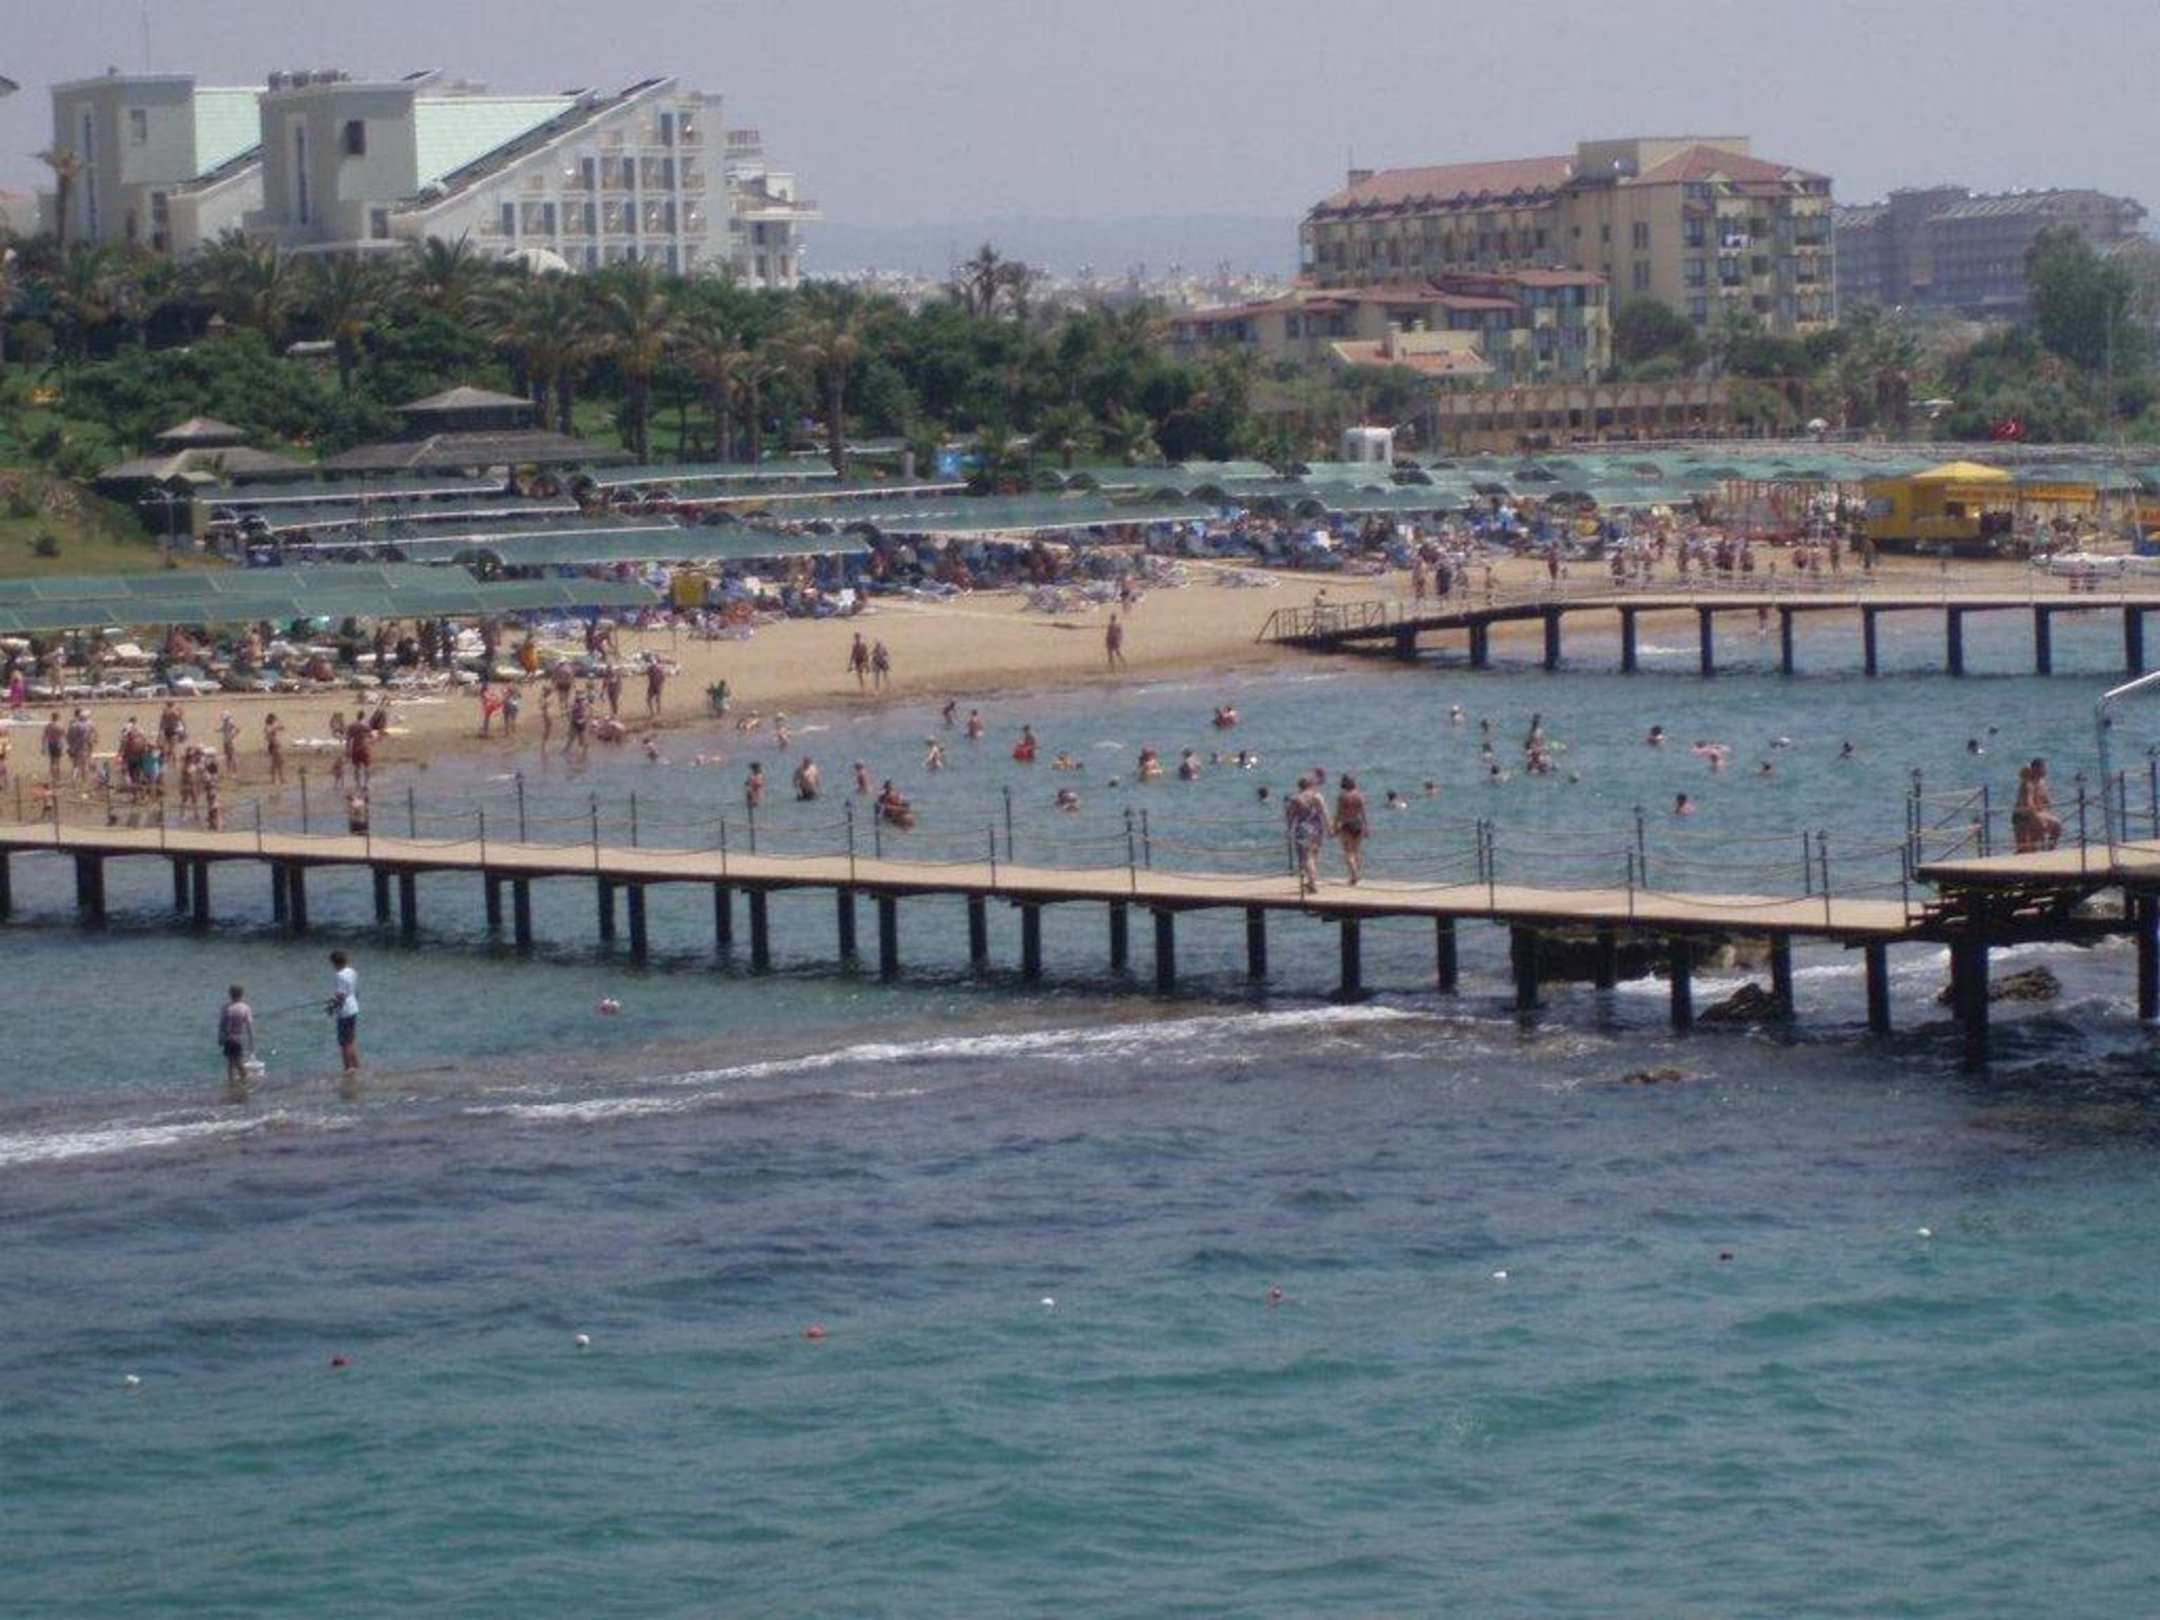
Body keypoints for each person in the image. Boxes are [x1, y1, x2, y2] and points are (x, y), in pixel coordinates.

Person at [1287, 777, 1328, 894]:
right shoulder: (1317, 796)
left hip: (1303, 829)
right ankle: (1311, 881)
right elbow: (1324, 813)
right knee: (1314, 855)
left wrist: (1289, 830)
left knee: (1306, 858)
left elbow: (1291, 816)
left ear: (1299, 786)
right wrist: (1329, 828)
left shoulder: (1296, 799)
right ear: (1310, 785)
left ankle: (1312, 884)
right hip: (1317, 828)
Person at [325, 950, 360, 1077]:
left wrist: (331, 1008)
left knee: (344, 1043)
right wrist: (333, 999)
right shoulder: (352, 971)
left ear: (334, 963)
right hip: (354, 1008)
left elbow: (341, 995)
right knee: (351, 1040)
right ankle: (356, 1066)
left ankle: (348, 1069)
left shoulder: (339, 975)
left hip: (345, 1012)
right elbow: (351, 991)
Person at [217, 984, 256, 1092]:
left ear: (230, 994)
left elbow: (221, 1025)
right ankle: (244, 1082)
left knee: (231, 1063)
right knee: (238, 1062)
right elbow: (249, 1027)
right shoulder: (245, 1007)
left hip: (227, 1039)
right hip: (237, 1038)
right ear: (242, 994)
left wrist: (219, 1038)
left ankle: (232, 1084)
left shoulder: (225, 1007)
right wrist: (252, 1043)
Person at [1334, 774, 1369, 884]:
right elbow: (1363, 813)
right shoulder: (1359, 796)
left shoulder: (1342, 796)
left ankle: (1354, 876)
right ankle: (1357, 874)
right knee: (1356, 851)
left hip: (1347, 824)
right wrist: (1366, 827)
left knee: (1348, 852)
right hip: (1358, 824)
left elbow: (1338, 813)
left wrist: (1335, 826)